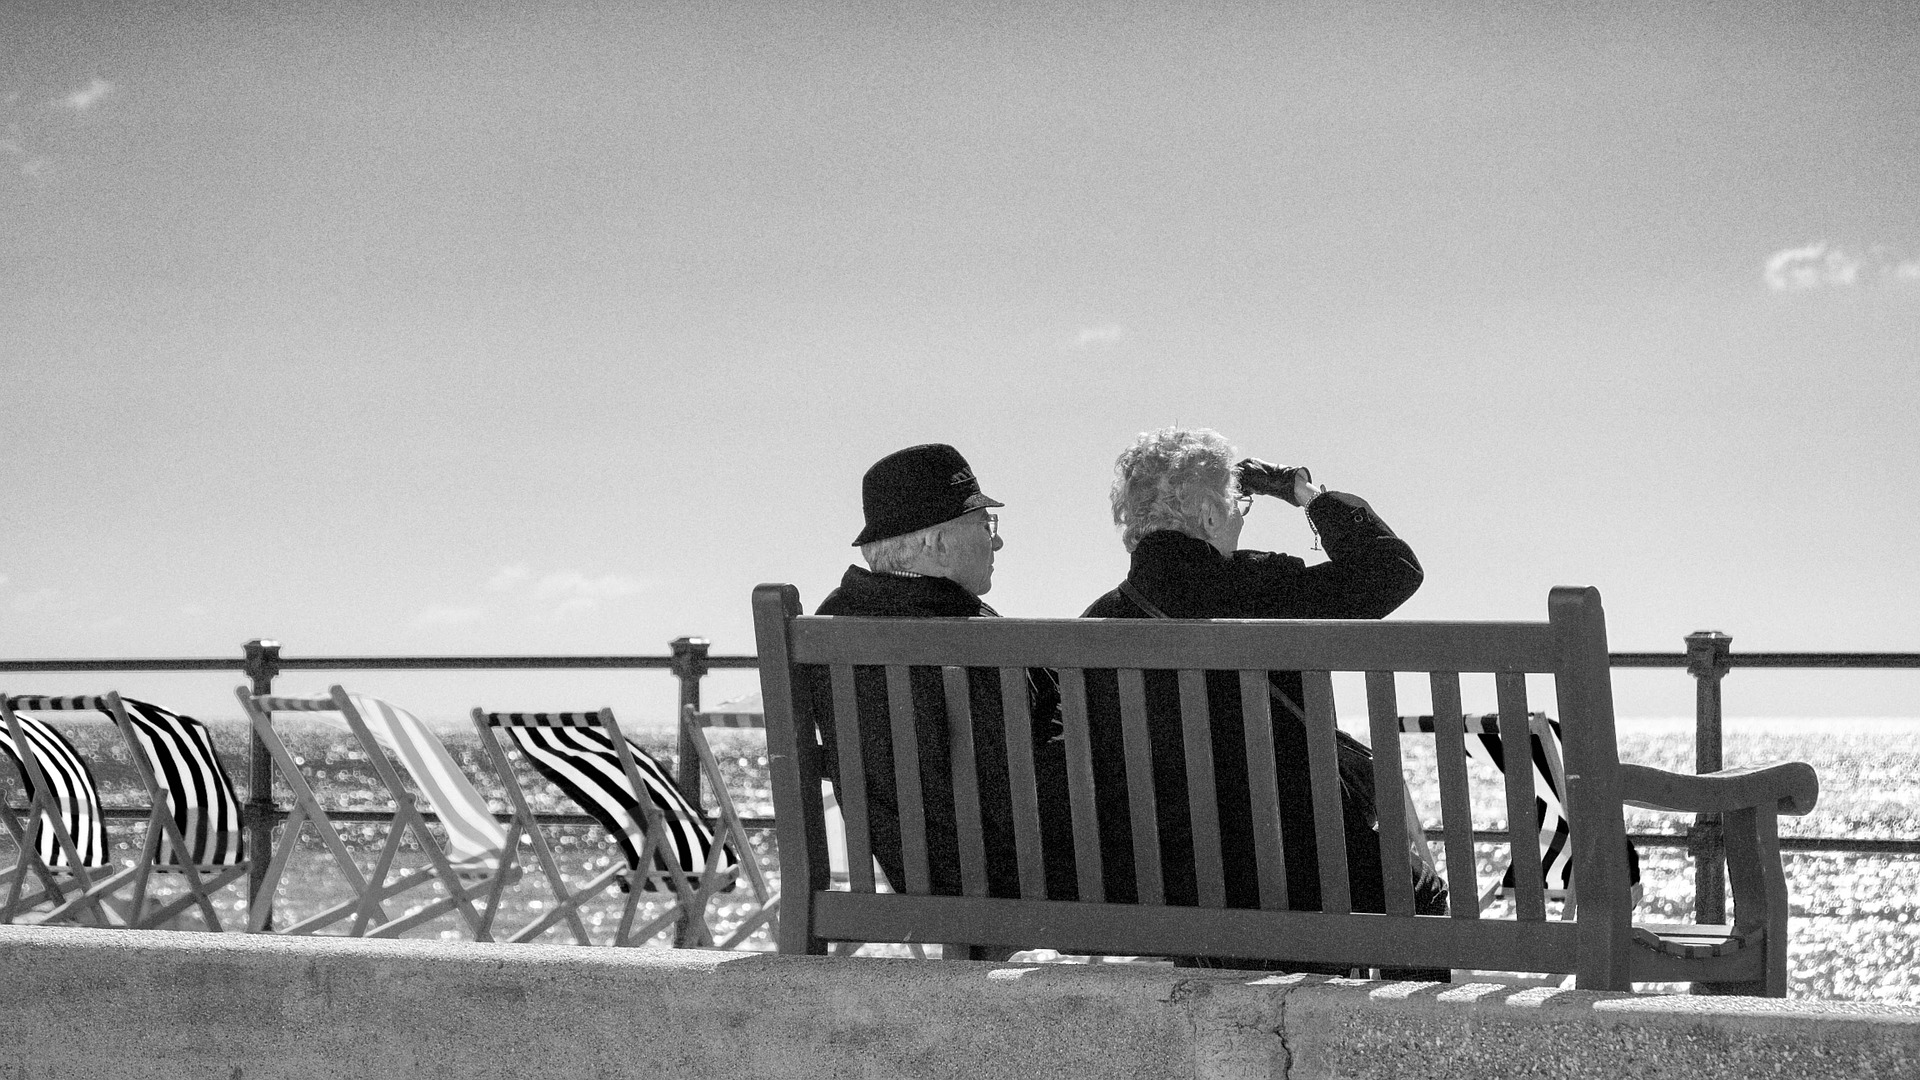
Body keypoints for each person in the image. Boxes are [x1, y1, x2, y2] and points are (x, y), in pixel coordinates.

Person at [1080, 425, 1448, 974]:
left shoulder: (1096, 624)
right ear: (1209, 517)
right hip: (1296, 876)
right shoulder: (1264, 588)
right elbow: (1392, 570)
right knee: (1418, 893)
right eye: (1240, 501)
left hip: (1167, 885)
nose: (1243, 512)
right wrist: (1305, 495)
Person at [801, 443, 1076, 907]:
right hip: (1023, 887)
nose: (997, 542)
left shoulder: (830, 628)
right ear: (935, 543)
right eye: (985, 525)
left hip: (918, 882)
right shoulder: (978, 640)